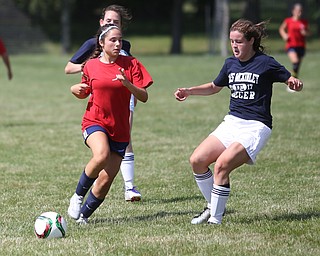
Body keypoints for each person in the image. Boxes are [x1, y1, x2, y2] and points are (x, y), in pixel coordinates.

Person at [174, 19, 303, 225]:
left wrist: (294, 83)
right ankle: (213, 206)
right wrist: (189, 91)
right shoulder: (230, 63)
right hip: (232, 122)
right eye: (232, 41)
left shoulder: (266, 63)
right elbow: (215, 87)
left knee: (222, 166)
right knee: (197, 160)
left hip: (255, 126)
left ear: (251, 41)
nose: (234, 46)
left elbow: (289, 79)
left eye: (239, 42)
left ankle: (215, 220)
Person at [67, 24, 153, 224]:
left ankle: (83, 218)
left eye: (119, 40)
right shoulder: (91, 65)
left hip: (120, 129)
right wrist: (74, 89)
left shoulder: (131, 64)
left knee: (105, 180)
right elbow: (85, 90)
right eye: (113, 40)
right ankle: (77, 196)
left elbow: (145, 96)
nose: (117, 44)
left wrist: (127, 84)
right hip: (94, 121)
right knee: (101, 154)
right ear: (102, 43)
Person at [279, 3, 309, 79]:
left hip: (301, 46)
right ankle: (289, 79)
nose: (300, 13)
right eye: (298, 11)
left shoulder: (304, 22)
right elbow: (281, 29)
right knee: (295, 62)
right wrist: (284, 35)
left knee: (297, 67)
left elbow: (308, 32)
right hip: (291, 45)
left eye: (301, 11)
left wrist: (305, 33)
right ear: (293, 11)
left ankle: (293, 81)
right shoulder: (288, 21)